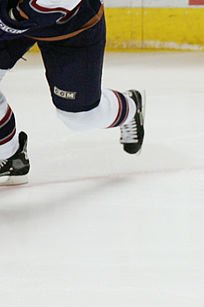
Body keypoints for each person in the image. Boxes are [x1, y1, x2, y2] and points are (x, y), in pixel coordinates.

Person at [0, 0, 145, 185]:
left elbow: (44, 8)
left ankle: (129, 107)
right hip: (14, 14)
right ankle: (9, 156)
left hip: (70, 28)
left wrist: (11, 20)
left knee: (80, 117)